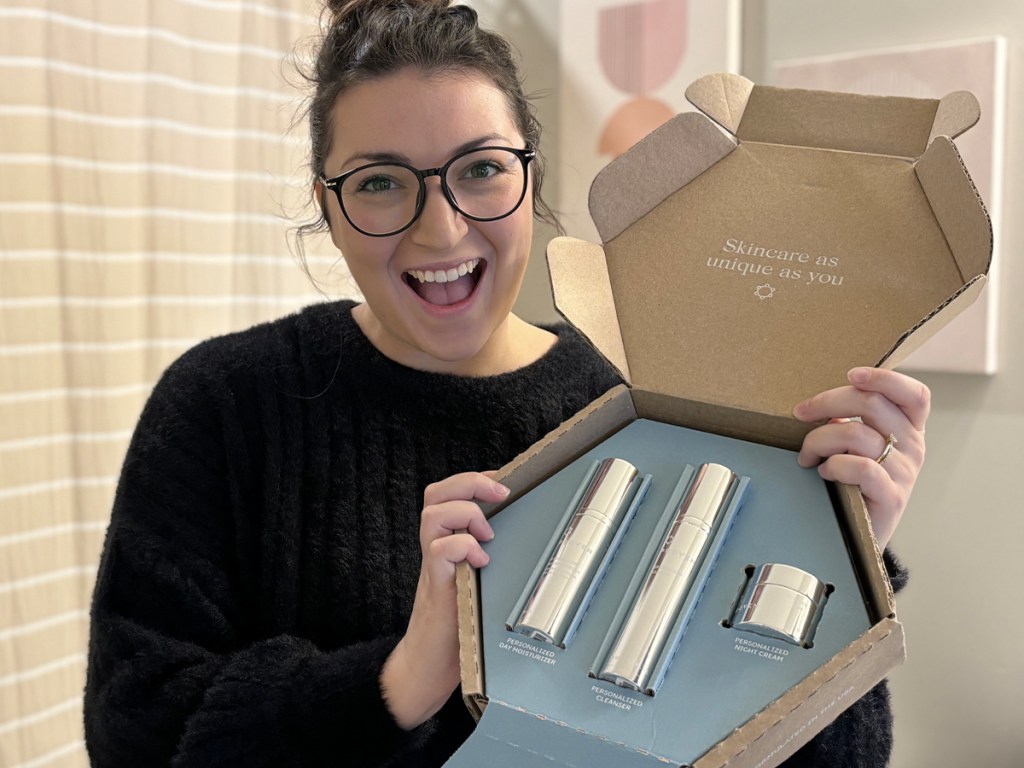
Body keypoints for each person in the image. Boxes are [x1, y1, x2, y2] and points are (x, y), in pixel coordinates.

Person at [83, 1, 929, 766]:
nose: (441, 229)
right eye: (379, 184)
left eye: (481, 169)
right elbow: (135, 735)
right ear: (329, 207)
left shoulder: (648, 407)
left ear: (531, 173)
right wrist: (402, 678)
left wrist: (834, 565)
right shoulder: (223, 403)